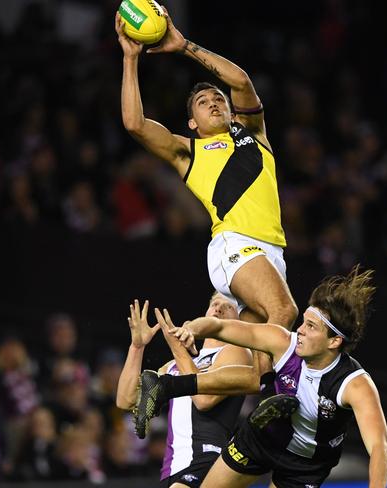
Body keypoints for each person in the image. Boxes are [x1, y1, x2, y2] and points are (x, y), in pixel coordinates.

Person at [115, 9, 299, 401]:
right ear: (193, 122)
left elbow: (242, 81)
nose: (214, 102)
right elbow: (134, 124)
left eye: (218, 98)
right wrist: (131, 59)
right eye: (202, 101)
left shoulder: (254, 134)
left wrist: (184, 47)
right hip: (234, 244)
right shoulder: (189, 152)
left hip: (271, 252)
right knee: (283, 314)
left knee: (249, 369)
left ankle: (166, 385)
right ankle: (275, 402)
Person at [152, 267, 387, 488]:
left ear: (334, 341)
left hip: (304, 466)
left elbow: (380, 448)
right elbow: (219, 327)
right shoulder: (283, 342)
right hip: (261, 439)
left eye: (311, 326)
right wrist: (191, 329)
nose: (300, 330)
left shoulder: (355, 384)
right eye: (304, 322)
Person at [116, 295, 262, 488]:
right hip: (171, 468)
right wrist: (137, 347)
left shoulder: (238, 353)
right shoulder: (176, 364)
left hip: (208, 458)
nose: (219, 309)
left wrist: (178, 350)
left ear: (239, 322)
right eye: (215, 304)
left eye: (229, 307)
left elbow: (204, 399)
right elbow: (127, 400)